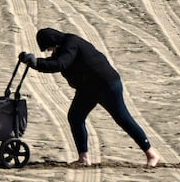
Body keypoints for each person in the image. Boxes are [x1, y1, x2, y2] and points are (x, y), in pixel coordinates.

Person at [20, 28, 160, 167]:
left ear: (55, 42)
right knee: (75, 117)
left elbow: (60, 64)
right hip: (87, 88)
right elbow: (53, 62)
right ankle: (83, 158)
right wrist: (32, 62)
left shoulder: (71, 43)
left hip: (107, 85)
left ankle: (151, 154)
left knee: (123, 119)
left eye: (50, 48)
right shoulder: (63, 46)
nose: (50, 51)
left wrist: (37, 63)